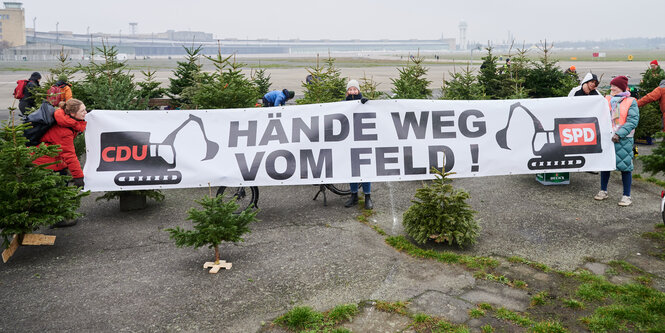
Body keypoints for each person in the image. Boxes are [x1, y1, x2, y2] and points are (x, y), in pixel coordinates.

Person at [33, 99, 87, 226]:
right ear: (73, 114)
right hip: (46, 160)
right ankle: (56, 220)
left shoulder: (66, 118)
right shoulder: (64, 130)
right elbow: (69, 155)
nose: (85, 112)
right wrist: (78, 176)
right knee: (58, 187)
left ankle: (58, 215)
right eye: (82, 111)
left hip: (53, 157)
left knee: (62, 181)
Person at [593, 76, 639, 206]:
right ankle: (603, 190)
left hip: (623, 138)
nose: (612, 88)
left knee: (625, 167)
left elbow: (632, 121)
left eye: (615, 86)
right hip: (607, 136)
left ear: (622, 88)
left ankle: (626, 196)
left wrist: (619, 134)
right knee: (605, 165)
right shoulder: (606, 99)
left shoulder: (631, 101)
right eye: (611, 86)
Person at [342, 80, 372, 210]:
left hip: (362, 140)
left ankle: (367, 196)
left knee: (365, 170)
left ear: (358, 91)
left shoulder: (364, 103)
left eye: (355, 89)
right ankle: (353, 195)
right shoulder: (343, 104)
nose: (353, 91)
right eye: (350, 89)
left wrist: (367, 103)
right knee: (351, 170)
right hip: (349, 141)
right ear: (347, 91)